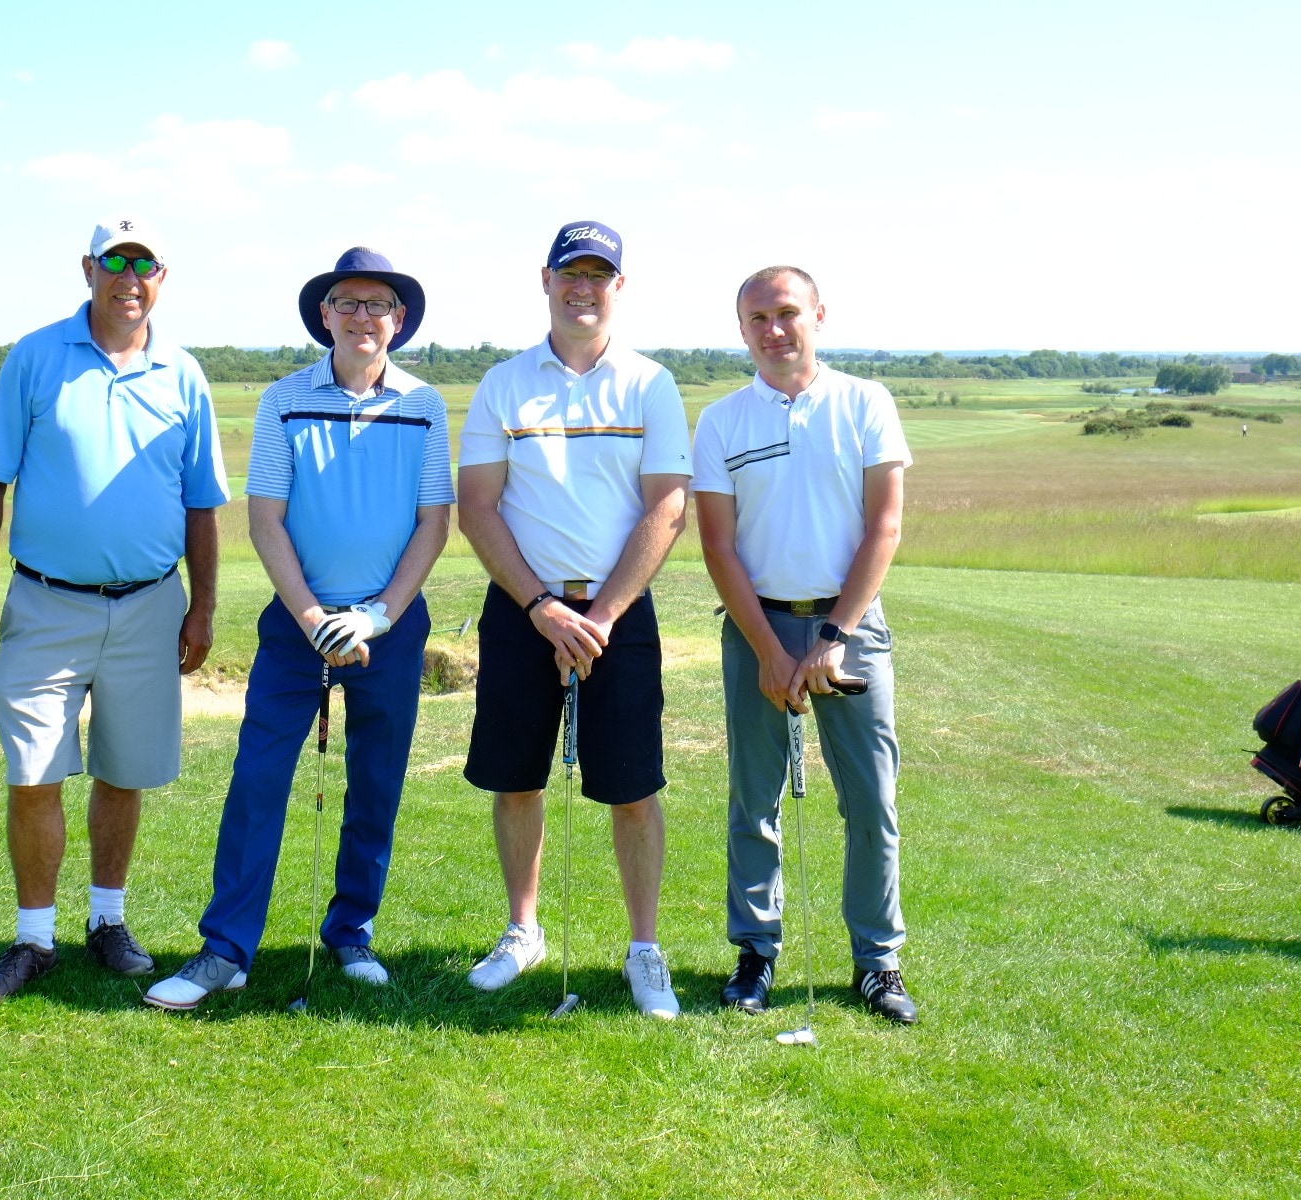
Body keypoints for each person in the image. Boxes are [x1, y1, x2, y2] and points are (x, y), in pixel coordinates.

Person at [145, 248, 452, 1010]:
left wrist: (376, 616)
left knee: (374, 783)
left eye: (377, 304)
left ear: (398, 320)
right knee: (258, 778)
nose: (361, 317)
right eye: (347, 303)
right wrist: (314, 618)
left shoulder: (425, 405)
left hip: (388, 627)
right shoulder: (284, 399)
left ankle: (352, 933)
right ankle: (227, 949)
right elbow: (266, 520)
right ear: (325, 315)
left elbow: (433, 524)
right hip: (297, 625)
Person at [0, 217, 228, 1004]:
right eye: (115, 261)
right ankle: (33, 940)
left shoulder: (184, 374)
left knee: (123, 771)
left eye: (145, 264)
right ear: (88, 268)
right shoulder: (37, 357)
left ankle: (107, 922)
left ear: (162, 277)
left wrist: (203, 608)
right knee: (34, 772)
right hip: (45, 604)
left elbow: (202, 505)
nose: (129, 278)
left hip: (149, 607)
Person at [455, 220, 691, 1020]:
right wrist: (542, 607)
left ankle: (644, 948)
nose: (582, 288)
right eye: (570, 273)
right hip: (524, 607)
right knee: (517, 779)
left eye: (598, 275)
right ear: (546, 280)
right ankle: (522, 930)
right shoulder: (503, 383)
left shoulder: (651, 384)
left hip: (618, 613)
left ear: (618, 286)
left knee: (633, 787)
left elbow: (667, 506)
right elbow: (478, 506)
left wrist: (602, 615)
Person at [692, 265, 917, 1024]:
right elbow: (719, 546)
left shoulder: (866, 402)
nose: (774, 330)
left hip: (850, 626)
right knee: (753, 799)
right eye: (757, 319)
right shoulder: (721, 421)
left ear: (819, 315)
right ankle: (755, 952)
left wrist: (832, 637)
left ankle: (877, 963)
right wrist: (768, 649)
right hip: (757, 625)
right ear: (742, 330)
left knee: (872, 800)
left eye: (787, 313)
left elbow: (884, 527)